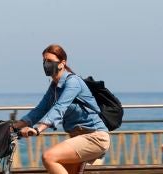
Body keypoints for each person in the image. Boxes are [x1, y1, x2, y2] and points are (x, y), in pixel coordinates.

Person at [13, 44, 110, 174]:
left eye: (50, 61)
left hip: (95, 137)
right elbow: (40, 110)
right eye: (44, 61)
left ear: (62, 63)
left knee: (49, 157)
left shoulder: (73, 82)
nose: (46, 65)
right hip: (78, 138)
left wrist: (37, 130)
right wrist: (14, 127)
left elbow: (59, 108)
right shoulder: (54, 87)